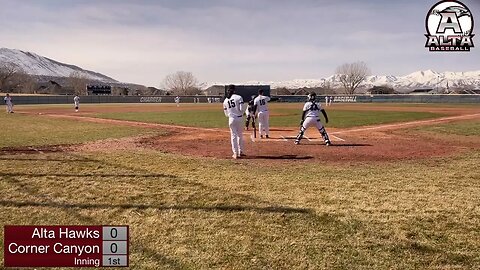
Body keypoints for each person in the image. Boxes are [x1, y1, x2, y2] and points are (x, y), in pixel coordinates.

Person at [223, 85, 245, 159]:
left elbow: (226, 114)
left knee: (233, 136)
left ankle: (235, 153)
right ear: (234, 90)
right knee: (240, 135)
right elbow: (242, 109)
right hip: (239, 118)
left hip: (231, 119)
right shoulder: (239, 97)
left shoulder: (225, 100)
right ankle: (240, 151)